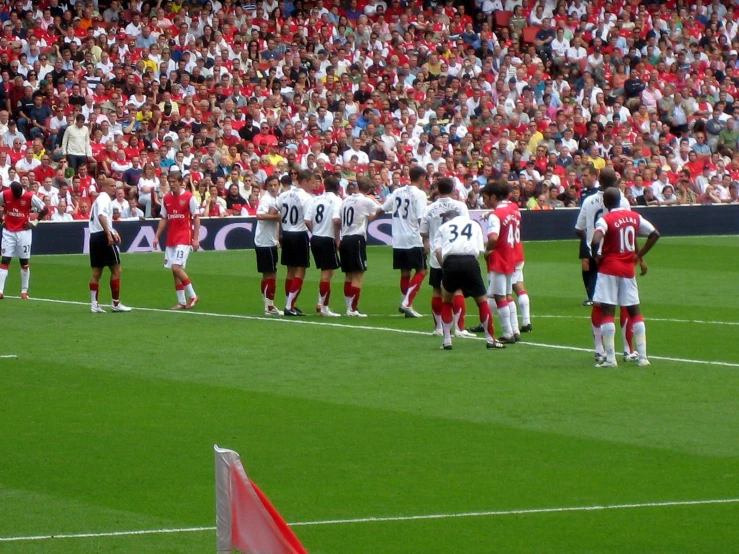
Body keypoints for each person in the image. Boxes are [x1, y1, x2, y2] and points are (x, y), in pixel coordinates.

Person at [591, 188, 660, 368]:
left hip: (609, 269)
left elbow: (595, 239)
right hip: (628, 269)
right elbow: (655, 234)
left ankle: (611, 358)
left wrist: (595, 256)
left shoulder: (605, 219)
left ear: (606, 202)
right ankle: (643, 357)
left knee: (607, 311)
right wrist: (639, 255)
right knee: (635, 311)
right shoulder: (634, 217)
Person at [575, 167, 635, 362]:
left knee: (599, 302)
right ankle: (628, 349)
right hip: (619, 255)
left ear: (599, 180)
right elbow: (630, 227)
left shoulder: (588, 201)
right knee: (626, 302)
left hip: (597, 255)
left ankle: (599, 350)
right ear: (616, 181)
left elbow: (579, 228)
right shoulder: (623, 200)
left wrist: (591, 245)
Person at [432, 208, 505, 351]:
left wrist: (444, 267)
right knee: (482, 301)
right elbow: (479, 250)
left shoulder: (443, 227)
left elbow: (438, 251)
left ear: (448, 218)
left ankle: (447, 341)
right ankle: (490, 339)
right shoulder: (474, 225)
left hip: (451, 262)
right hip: (470, 262)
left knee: (447, 301)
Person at [420, 177, 475, 338]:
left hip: (437, 253)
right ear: (452, 189)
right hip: (455, 252)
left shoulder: (430, 208)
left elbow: (423, 232)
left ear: (438, 189)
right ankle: (459, 328)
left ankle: (438, 328)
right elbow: (466, 226)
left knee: (437, 290)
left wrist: (428, 239)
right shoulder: (460, 206)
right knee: (457, 289)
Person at [379, 165, 429, 318]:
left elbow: (383, 208)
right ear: (421, 177)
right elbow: (421, 218)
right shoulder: (419, 194)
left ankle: (407, 304)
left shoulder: (397, 191)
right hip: (413, 237)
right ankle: (407, 303)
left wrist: (372, 217)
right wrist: (426, 239)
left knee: (405, 272)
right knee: (422, 270)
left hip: (398, 238)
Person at [480, 180, 521, 344]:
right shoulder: (514, 209)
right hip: (512, 255)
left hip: (499, 257)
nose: (484, 201)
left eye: (485, 198)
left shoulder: (496, 215)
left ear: (493, 196)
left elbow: (493, 237)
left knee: (499, 296)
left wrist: (488, 249)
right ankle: (515, 330)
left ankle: (507, 333)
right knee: (507, 295)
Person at [153, 173, 201, 310]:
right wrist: (157, 236)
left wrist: (195, 238)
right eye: (170, 181)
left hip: (184, 237)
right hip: (171, 238)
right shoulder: (166, 198)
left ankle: (193, 296)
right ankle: (181, 301)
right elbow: (164, 218)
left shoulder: (189, 198)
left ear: (180, 182)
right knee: (174, 271)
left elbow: (196, 218)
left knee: (176, 267)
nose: (171, 184)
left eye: (174, 181)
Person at [87, 178, 130, 313]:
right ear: (104, 187)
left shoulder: (99, 200)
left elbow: (102, 217)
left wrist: (113, 231)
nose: (114, 188)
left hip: (94, 236)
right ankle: (115, 304)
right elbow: (101, 216)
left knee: (97, 272)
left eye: (115, 186)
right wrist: (109, 234)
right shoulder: (104, 198)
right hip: (102, 236)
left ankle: (94, 305)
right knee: (117, 270)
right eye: (111, 186)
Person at [339, 177, 380, 317]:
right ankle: (353, 309)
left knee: (349, 275)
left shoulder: (345, 200)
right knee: (358, 274)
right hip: (356, 238)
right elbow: (380, 210)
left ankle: (348, 307)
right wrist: (373, 199)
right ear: (369, 189)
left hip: (344, 238)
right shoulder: (366, 200)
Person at [0, 181, 49, 299]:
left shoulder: (29, 196)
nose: (17, 195)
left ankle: (24, 291)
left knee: (24, 262)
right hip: (9, 232)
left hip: (24, 232)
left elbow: (45, 209)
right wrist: (2, 219)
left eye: (18, 193)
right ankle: (0, 290)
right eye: (15, 193)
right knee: (5, 259)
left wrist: (34, 223)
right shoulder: (5, 194)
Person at [277, 169, 315, 316]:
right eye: (312, 183)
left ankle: (289, 303)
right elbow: (307, 219)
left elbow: (275, 211)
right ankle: (289, 305)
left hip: (286, 234)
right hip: (299, 234)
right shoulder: (306, 198)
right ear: (304, 181)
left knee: (290, 270)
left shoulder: (284, 194)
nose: (314, 186)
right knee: (301, 270)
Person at [305, 174, 342, 317]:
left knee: (328, 271)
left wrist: (315, 231)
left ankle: (321, 302)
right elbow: (336, 220)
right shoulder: (337, 201)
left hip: (315, 238)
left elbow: (307, 220)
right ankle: (324, 308)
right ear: (338, 188)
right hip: (327, 238)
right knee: (327, 274)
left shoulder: (316, 199)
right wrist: (338, 237)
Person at [254, 175, 283, 316]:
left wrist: (276, 238)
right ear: (267, 186)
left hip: (266, 240)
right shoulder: (267, 199)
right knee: (271, 274)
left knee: (267, 274)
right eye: (270, 185)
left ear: (279, 185)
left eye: (275, 185)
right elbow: (259, 215)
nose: (273, 187)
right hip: (265, 242)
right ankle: (269, 306)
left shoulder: (275, 199)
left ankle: (267, 304)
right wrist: (277, 217)